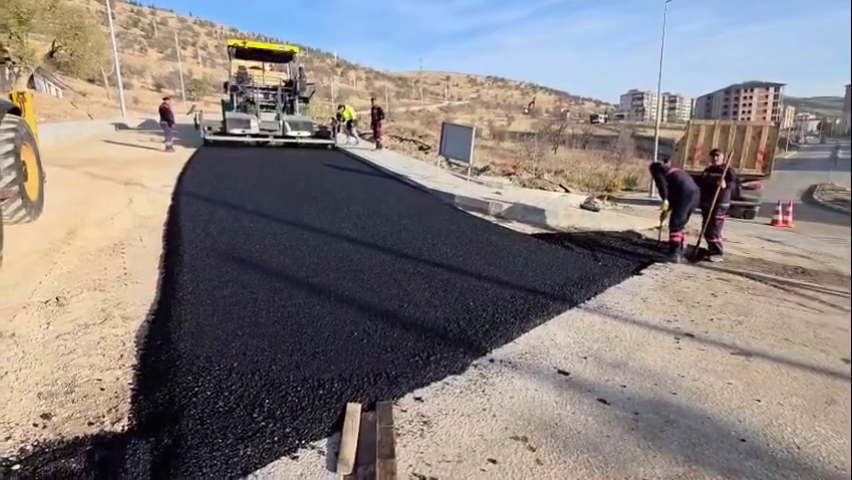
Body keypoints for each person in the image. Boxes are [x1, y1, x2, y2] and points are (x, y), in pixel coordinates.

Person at [649, 160, 701, 263]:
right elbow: (672, 197)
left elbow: (662, 186)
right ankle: (680, 249)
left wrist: (665, 200)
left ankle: (674, 253)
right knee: (680, 223)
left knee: (675, 224)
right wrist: (665, 211)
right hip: (695, 195)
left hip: (685, 194)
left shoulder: (658, 172)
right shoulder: (675, 172)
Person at [698, 148, 737, 262]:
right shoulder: (708, 170)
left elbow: (734, 184)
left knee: (714, 229)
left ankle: (718, 252)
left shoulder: (728, 170)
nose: (715, 158)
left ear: (722, 157)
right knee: (706, 229)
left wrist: (725, 185)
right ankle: (711, 250)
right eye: (713, 156)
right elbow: (701, 183)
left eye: (717, 156)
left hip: (720, 204)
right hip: (707, 203)